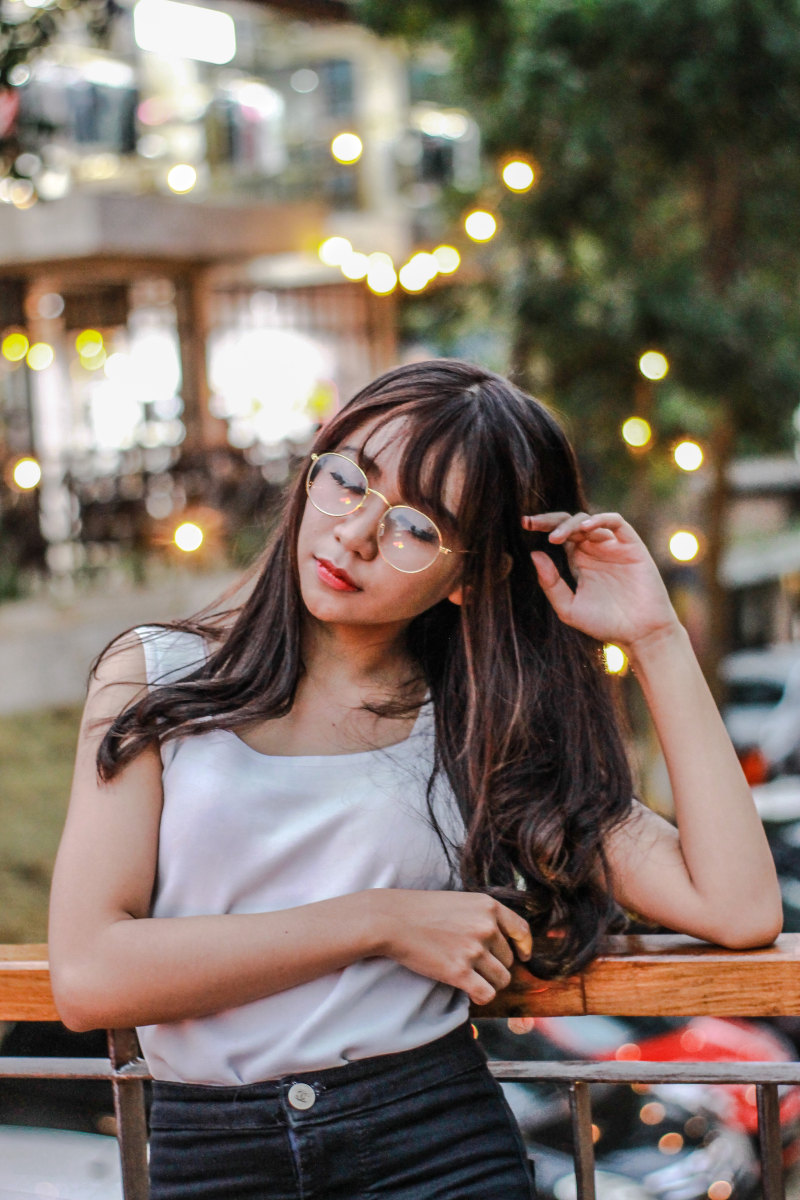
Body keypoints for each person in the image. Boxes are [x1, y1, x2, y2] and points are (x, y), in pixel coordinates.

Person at [49, 359, 781, 1200]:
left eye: (418, 529)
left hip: (430, 1146)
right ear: (314, 469)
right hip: (211, 1155)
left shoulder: (481, 723)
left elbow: (736, 906)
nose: (355, 535)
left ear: (472, 577)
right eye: (349, 480)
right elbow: (88, 975)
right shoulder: (157, 676)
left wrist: (655, 635)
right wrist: (382, 922)